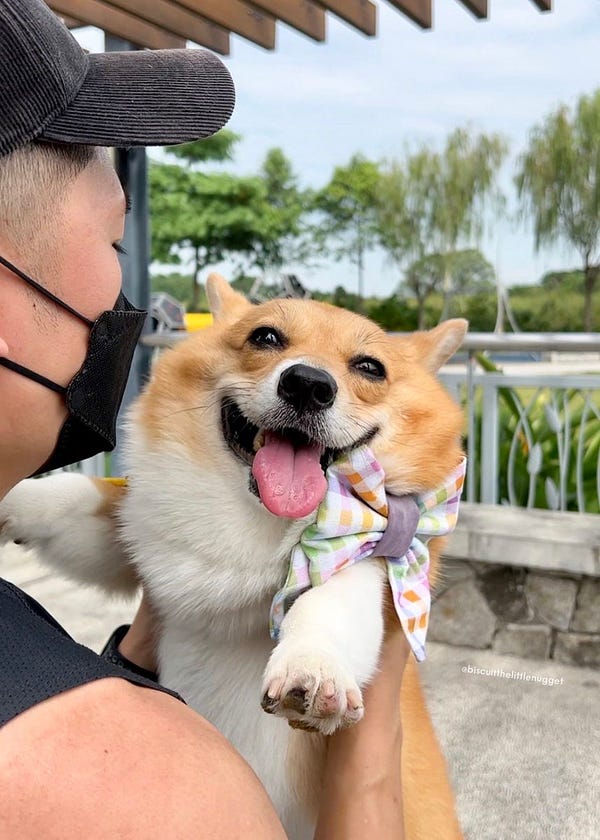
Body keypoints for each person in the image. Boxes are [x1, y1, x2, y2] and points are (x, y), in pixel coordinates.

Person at [0, 2, 410, 837]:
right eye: (117, 245)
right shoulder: (166, 793)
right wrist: (375, 756)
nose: (126, 301)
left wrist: (136, 657)